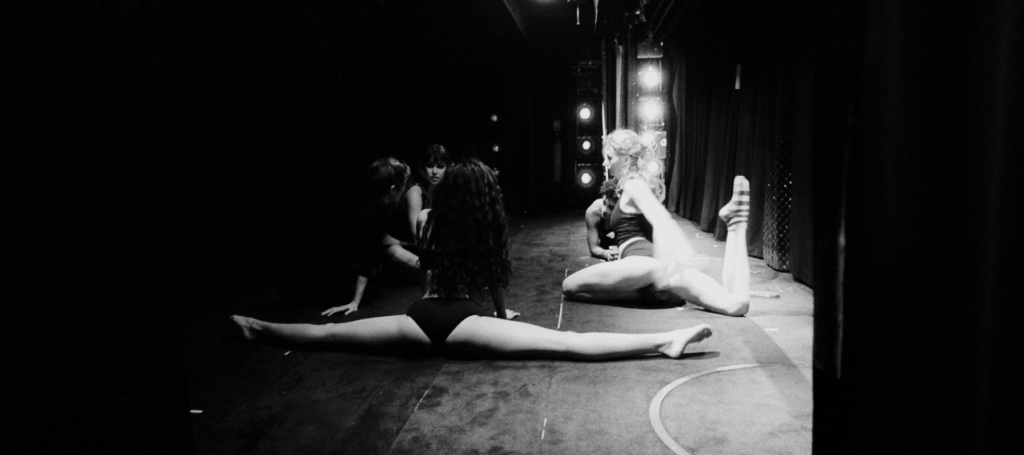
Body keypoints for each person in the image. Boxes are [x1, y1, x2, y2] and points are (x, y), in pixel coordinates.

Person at [233, 160, 712, 360]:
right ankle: (663, 340)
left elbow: (426, 282)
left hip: (417, 319)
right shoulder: (484, 226)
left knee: (329, 336)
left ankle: (258, 327)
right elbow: (493, 280)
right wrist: (501, 316)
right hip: (464, 322)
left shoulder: (429, 221)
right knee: (566, 344)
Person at [562, 129, 751, 317]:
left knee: (569, 285)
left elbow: (661, 218)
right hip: (665, 271)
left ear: (625, 160)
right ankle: (736, 225)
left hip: (646, 265)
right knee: (736, 305)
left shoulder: (634, 185)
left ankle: (651, 284)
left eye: (609, 158)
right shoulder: (635, 186)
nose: (605, 163)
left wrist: (681, 254)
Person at [321, 157, 413, 317]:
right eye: (404, 184)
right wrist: (355, 301)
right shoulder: (375, 212)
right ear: (393, 189)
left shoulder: (370, 202)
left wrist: (412, 244)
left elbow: (382, 238)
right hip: (336, 273)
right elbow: (367, 257)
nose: (406, 187)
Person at [380, 144, 453, 280]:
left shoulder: (443, 192)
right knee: (436, 273)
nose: (434, 171)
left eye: (440, 166)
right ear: (422, 168)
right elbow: (418, 236)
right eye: (430, 166)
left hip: (423, 249)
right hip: (402, 248)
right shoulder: (415, 192)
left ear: (447, 168)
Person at [584, 181, 620, 261]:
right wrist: (605, 253)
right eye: (604, 202)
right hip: (604, 236)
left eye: (611, 207)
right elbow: (594, 248)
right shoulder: (592, 212)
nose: (605, 210)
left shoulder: (625, 213)